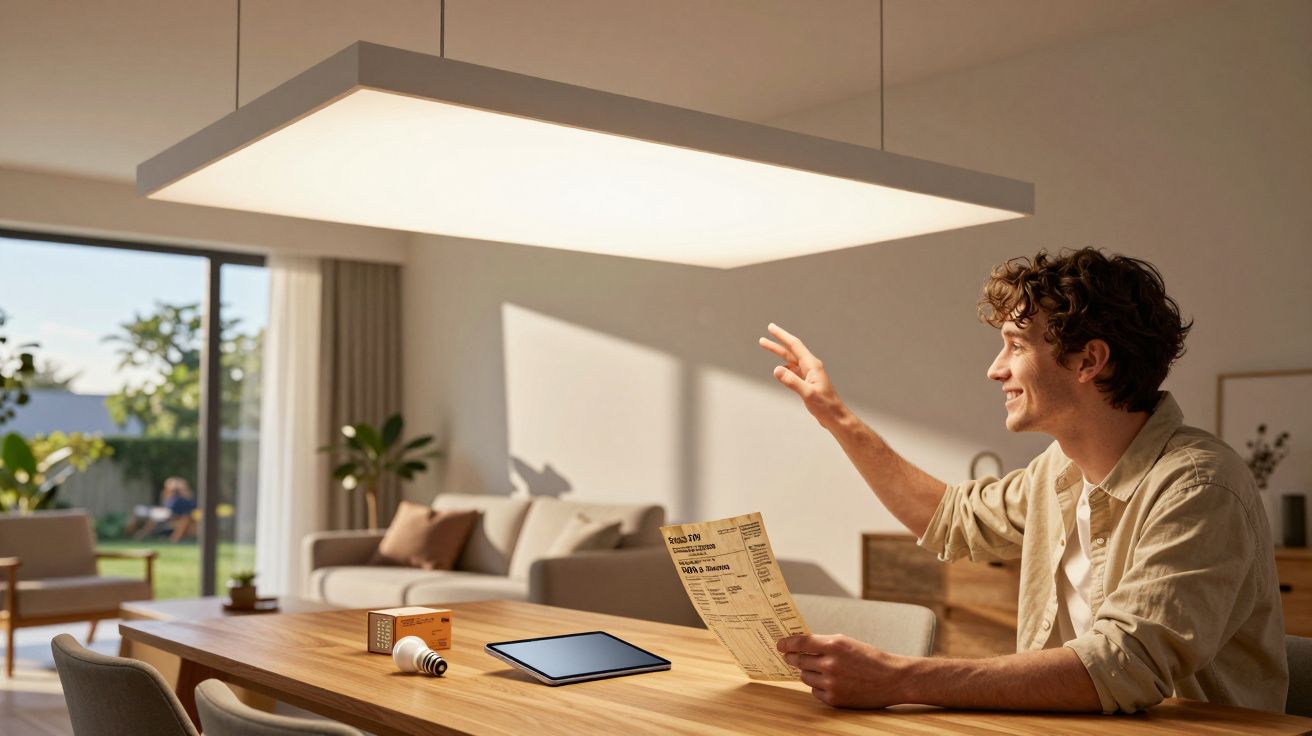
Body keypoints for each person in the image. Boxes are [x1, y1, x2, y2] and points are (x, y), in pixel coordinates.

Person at [759, 247, 1286, 714]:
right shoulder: (1057, 470)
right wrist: (836, 418)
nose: (995, 369)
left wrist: (900, 678)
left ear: (1089, 361)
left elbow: (1123, 665)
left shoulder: (1198, 486)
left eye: (1015, 345)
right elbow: (951, 519)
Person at [128, 476, 198, 542]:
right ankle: (131, 533)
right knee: (138, 510)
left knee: (154, 519)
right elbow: (166, 506)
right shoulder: (170, 498)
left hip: (173, 517)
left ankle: (140, 535)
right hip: (164, 515)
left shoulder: (186, 500)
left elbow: (190, 511)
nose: (176, 490)